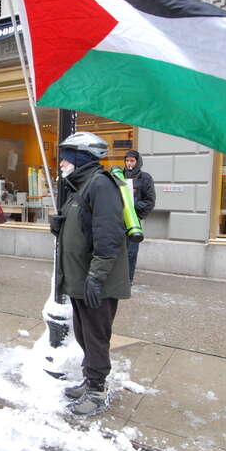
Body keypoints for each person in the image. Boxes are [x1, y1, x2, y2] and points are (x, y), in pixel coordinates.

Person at [52, 132, 130, 417]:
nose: (61, 163)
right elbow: (83, 229)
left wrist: (96, 277)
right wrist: (60, 225)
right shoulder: (80, 187)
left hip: (96, 281)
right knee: (85, 334)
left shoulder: (100, 186)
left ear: (81, 158)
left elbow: (108, 237)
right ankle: (90, 381)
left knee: (96, 336)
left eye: (66, 157)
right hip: (80, 278)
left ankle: (96, 391)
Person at [123, 150, 156, 285]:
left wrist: (134, 207)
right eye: (127, 161)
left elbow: (150, 201)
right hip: (118, 219)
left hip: (133, 220)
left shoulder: (145, 178)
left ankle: (128, 279)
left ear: (137, 162)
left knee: (131, 252)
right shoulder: (120, 176)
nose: (129, 163)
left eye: (132, 161)